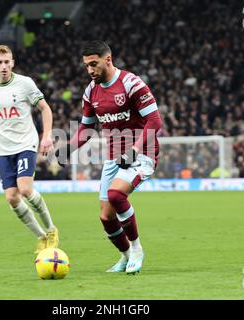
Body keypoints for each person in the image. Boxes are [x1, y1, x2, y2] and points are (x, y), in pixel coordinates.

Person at [57, 40, 163, 274]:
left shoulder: (131, 84)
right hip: (114, 157)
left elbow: (155, 122)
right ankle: (125, 256)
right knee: (106, 217)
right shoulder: (90, 91)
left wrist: (133, 150)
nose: (90, 70)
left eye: (93, 64)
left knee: (116, 194)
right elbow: (86, 129)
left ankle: (137, 249)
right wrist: (68, 147)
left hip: (142, 152)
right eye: (86, 66)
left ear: (108, 59)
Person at [0, 45, 59, 254]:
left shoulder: (25, 83)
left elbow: (45, 108)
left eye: (7, 62)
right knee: (12, 198)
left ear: (12, 63)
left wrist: (46, 135)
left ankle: (51, 229)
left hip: (25, 143)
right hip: (3, 149)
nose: (3, 66)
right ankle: (41, 236)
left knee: (25, 189)